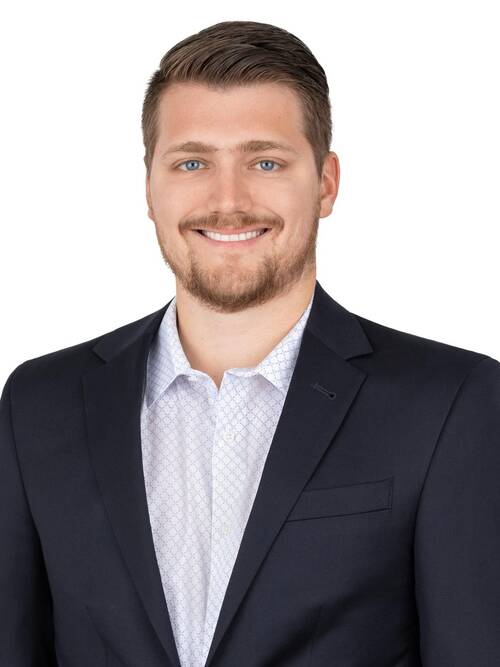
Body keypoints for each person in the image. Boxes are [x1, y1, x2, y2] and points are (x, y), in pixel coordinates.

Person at [1, 19, 499, 667]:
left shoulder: (449, 405)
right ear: (149, 187)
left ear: (325, 183)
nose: (228, 200)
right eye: (192, 162)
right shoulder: (39, 405)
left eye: (265, 162)